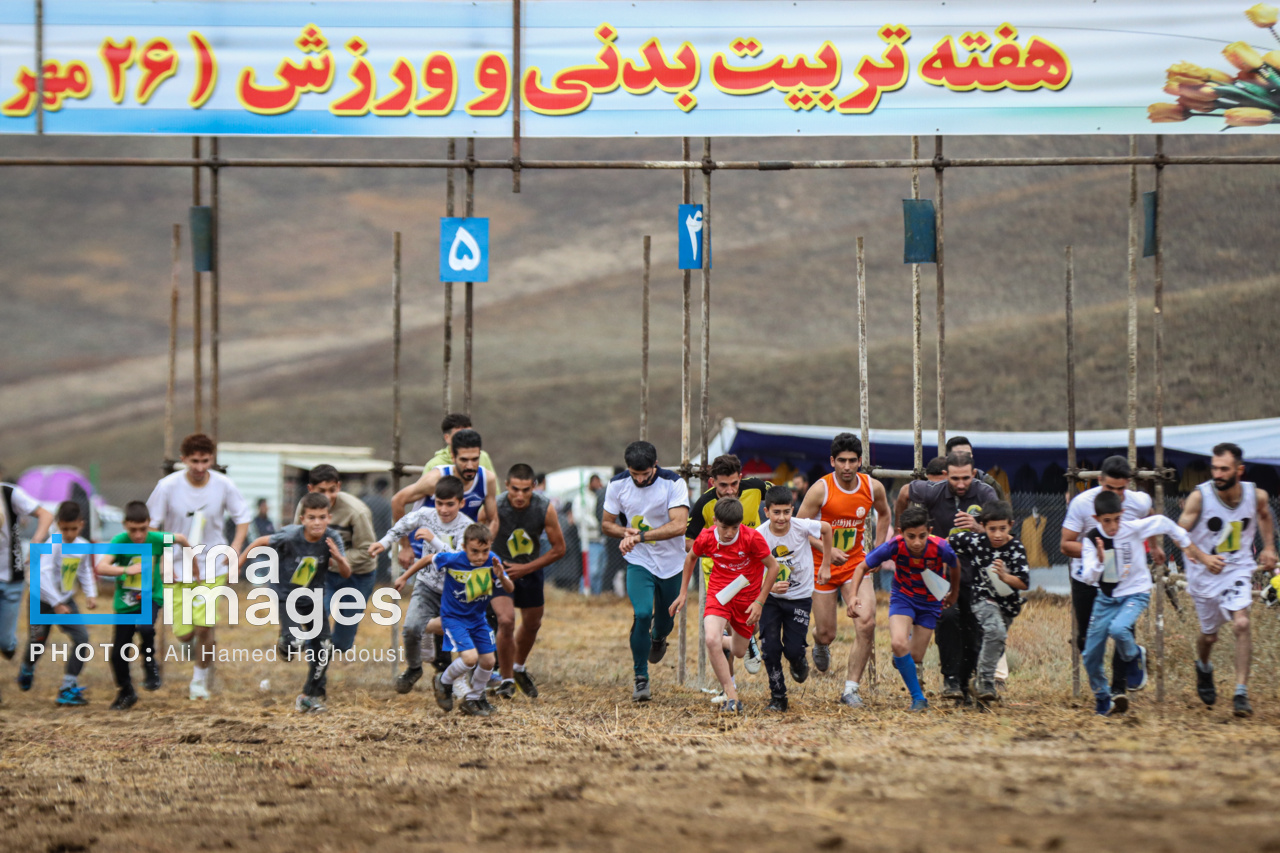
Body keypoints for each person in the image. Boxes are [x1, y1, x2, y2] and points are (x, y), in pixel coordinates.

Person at [1082, 490, 1209, 716]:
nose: (1113, 526)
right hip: (1106, 599)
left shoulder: (1132, 527)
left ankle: (1134, 655)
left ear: (1122, 514)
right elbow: (1089, 577)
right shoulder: (1092, 540)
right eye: (1107, 521)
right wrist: (1100, 560)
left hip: (1135, 593)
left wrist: (1185, 542)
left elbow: (1162, 522)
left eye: (1117, 519)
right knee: (1090, 655)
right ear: (1096, 519)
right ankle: (1103, 699)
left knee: (1119, 629)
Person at [146, 432, 250, 700]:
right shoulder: (167, 486)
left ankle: (199, 682)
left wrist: (235, 547)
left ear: (212, 459)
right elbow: (152, 526)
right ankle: (195, 648)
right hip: (177, 567)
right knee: (184, 634)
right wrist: (158, 560)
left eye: (205, 460)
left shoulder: (224, 485)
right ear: (184, 460)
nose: (200, 467)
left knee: (204, 626)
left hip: (213, 565)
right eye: (194, 461)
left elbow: (242, 518)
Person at [1177, 443, 1278, 717]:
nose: (1217, 474)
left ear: (1239, 470)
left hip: (1237, 568)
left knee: (1242, 623)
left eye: (1224, 469)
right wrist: (1203, 557)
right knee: (1209, 637)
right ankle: (1204, 667)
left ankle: (1240, 692)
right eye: (1214, 468)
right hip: (1204, 574)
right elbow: (1178, 533)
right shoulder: (1200, 498)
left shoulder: (1255, 496)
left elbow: (1266, 516)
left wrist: (1269, 548)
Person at [893, 450, 999, 701]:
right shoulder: (933, 491)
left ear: (973, 474)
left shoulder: (985, 493)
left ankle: (969, 681)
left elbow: (1000, 530)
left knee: (974, 626)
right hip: (941, 573)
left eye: (965, 478)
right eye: (954, 479)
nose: (960, 484)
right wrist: (901, 532)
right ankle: (950, 679)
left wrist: (978, 527)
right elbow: (903, 493)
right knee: (948, 620)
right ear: (946, 475)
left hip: (976, 574)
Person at [796, 433, 891, 708]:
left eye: (852, 461)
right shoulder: (820, 490)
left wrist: (877, 552)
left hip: (856, 566)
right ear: (832, 462)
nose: (847, 467)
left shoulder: (873, 488)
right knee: (827, 632)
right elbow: (798, 528)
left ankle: (851, 689)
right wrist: (826, 551)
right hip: (821, 567)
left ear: (860, 461)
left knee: (867, 622)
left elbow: (884, 514)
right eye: (841, 461)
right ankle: (819, 643)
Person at [671, 498, 782, 714]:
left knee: (739, 652)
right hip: (719, 594)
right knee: (711, 638)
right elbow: (691, 557)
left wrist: (760, 601)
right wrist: (683, 593)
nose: (729, 533)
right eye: (724, 527)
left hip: (746, 598)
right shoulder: (706, 537)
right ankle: (731, 695)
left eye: (734, 527)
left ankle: (746, 641)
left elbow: (773, 566)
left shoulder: (752, 538)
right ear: (715, 521)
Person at [241, 492, 350, 714]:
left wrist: (338, 559)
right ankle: (285, 642)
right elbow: (260, 541)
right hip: (286, 595)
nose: (317, 522)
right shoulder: (289, 536)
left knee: (324, 648)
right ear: (303, 519)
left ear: (329, 517)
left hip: (313, 598)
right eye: (312, 517)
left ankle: (308, 695)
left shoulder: (331, 539)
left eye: (322, 517)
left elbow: (346, 572)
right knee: (294, 643)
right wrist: (239, 562)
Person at [1060, 455, 1154, 707]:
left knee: (1123, 630)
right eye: (1110, 488)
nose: (1116, 494)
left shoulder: (1138, 502)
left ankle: (1118, 689)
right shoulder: (1082, 504)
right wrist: (1097, 551)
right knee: (1086, 639)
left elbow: (1152, 518)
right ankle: (1100, 684)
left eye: (1121, 489)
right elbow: (1065, 544)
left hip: (1123, 580)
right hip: (1087, 577)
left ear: (1129, 485)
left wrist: (1153, 548)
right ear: (1099, 480)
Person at [601, 441, 691, 702]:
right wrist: (624, 532)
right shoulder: (617, 484)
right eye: (634, 474)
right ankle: (641, 678)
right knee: (641, 613)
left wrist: (640, 536)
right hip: (639, 561)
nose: (639, 479)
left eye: (645, 474)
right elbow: (607, 525)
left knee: (664, 622)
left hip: (672, 563)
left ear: (656, 464)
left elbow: (679, 525)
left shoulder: (673, 483)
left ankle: (658, 636)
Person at [849, 506, 960, 712]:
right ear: (901, 532)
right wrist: (853, 595)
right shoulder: (894, 545)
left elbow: (955, 565)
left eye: (922, 536)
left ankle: (902, 658)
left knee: (915, 656)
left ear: (930, 531)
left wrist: (953, 593)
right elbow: (861, 567)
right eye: (911, 536)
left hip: (930, 602)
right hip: (904, 598)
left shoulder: (942, 547)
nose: (917, 542)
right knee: (899, 644)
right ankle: (918, 698)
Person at [376, 475, 474, 692]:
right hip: (427, 585)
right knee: (411, 628)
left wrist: (433, 539)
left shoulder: (467, 527)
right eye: (439, 503)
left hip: (455, 591)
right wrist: (383, 543)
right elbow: (401, 526)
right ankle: (414, 668)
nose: (444, 509)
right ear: (434, 500)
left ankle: (457, 680)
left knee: (457, 634)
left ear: (461, 503)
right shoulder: (426, 515)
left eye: (450, 504)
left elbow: (458, 559)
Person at [96, 501, 189, 710]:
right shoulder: (119, 541)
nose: (138, 535)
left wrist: (190, 565)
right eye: (133, 530)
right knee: (118, 653)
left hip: (150, 597)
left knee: (146, 627)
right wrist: (125, 571)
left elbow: (181, 539)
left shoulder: (156, 539)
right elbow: (101, 566)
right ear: (124, 525)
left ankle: (150, 665)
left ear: (149, 524)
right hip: (125, 603)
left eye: (143, 529)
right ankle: (126, 691)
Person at [685, 454, 770, 681]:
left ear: (741, 478)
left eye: (734, 483)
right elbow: (688, 543)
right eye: (723, 485)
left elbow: (780, 500)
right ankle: (728, 687)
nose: (730, 490)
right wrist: (716, 548)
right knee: (721, 631)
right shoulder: (704, 503)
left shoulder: (756, 487)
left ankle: (749, 639)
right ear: (712, 482)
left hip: (750, 569)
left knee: (752, 624)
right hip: (717, 573)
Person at [490, 463, 565, 699]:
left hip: (530, 568)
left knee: (533, 624)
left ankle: (518, 667)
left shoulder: (545, 508)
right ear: (506, 486)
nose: (520, 495)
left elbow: (559, 548)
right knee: (506, 621)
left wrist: (526, 568)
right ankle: (506, 679)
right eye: (515, 489)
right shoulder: (494, 506)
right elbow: (473, 533)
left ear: (534, 487)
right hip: (500, 571)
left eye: (525, 490)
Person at [756, 485, 831, 712]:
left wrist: (825, 564)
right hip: (770, 599)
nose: (782, 518)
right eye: (776, 512)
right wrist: (766, 585)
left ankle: (798, 660)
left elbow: (826, 529)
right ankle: (778, 697)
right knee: (769, 648)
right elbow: (751, 566)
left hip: (799, 597)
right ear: (767, 511)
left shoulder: (801, 527)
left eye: (786, 512)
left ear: (792, 509)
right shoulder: (759, 535)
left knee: (792, 649)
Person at [427, 524, 514, 717]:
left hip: (478, 619)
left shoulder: (493, 561)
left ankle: (474, 698)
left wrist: (501, 576)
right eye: (475, 551)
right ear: (464, 546)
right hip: (455, 617)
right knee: (469, 658)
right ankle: (444, 680)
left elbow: (509, 588)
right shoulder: (455, 559)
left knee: (489, 661)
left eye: (485, 551)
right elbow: (430, 559)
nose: (480, 556)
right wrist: (406, 577)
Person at [948, 501, 1030, 702]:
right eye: (992, 529)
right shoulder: (975, 541)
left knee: (996, 641)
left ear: (1011, 525)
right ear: (983, 526)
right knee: (996, 632)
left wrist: (1004, 576)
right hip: (982, 598)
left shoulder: (1016, 548)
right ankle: (985, 682)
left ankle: (979, 683)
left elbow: (1023, 582)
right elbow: (945, 543)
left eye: (1002, 529)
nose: (997, 535)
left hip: (1008, 605)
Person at [17, 501, 96, 706]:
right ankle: (28, 666)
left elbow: (85, 570)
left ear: (81, 524)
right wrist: (57, 603)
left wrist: (91, 593)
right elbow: (41, 576)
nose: (69, 533)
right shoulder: (53, 544)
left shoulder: (83, 546)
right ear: (58, 525)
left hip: (65, 600)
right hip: (41, 599)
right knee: (38, 642)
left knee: (82, 638)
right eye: (64, 528)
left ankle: (68, 687)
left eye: (73, 528)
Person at [293, 465, 377, 652]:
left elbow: (367, 550)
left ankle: (328, 649)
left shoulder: (357, 511)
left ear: (339, 487)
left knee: (342, 641)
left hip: (358, 574)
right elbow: (298, 541)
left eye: (332, 490)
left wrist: (336, 559)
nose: (327, 496)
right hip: (326, 573)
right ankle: (313, 656)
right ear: (310, 489)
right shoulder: (305, 506)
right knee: (315, 614)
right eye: (321, 491)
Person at [392, 429, 498, 547]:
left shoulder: (487, 479)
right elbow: (397, 501)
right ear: (453, 456)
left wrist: (483, 545)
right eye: (464, 460)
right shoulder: (434, 480)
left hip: (458, 554)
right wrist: (405, 547)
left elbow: (493, 520)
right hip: (422, 553)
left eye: (474, 459)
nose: (470, 466)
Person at [0, 479, 53, 696]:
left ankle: (9, 645)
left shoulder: (9, 493)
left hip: (11, 577)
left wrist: (37, 541)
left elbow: (46, 515)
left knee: (4, 641)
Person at [422, 413, 496, 475]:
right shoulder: (434, 465)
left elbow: (495, 491)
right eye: (459, 436)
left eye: (475, 459)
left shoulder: (483, 457)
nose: (470, 466)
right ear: (447, 438)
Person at [362, 477, 394, 581]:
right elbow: (388, 524)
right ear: (386, 490)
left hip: (364, 538)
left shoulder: (365, 501)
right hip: (380, 540)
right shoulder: (385, 504)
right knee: (381, 571)